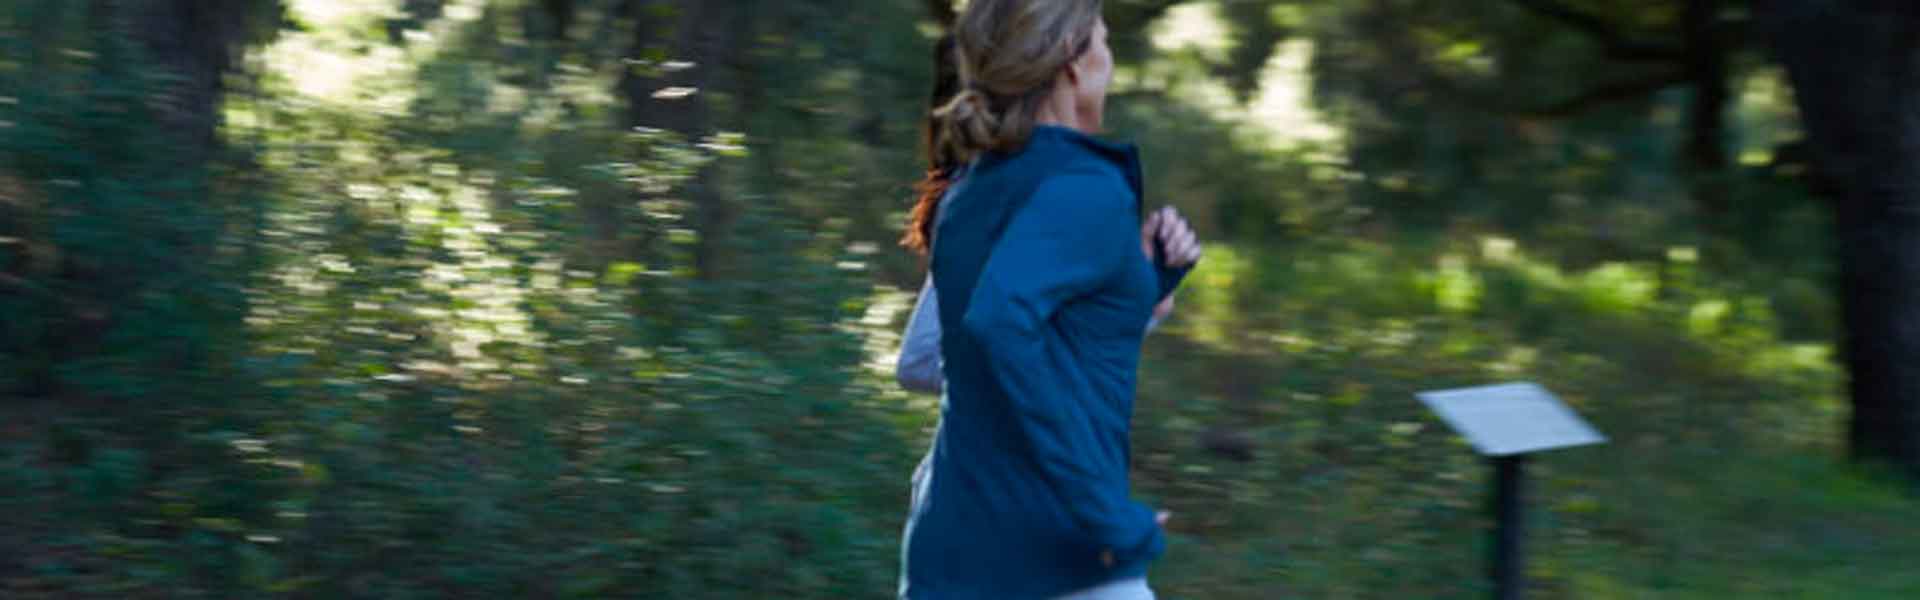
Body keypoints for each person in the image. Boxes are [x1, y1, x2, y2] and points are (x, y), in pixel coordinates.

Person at [898, 1, 1200, 597]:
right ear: (1071, 63)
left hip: (948, 554)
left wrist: (1144, 284)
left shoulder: (967, 195)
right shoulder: (1087, 187)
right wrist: (1106, 515)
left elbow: (1050, 345)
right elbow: (998, 325)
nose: (1111, 63)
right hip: (1053, 557)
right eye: (1106, 43)